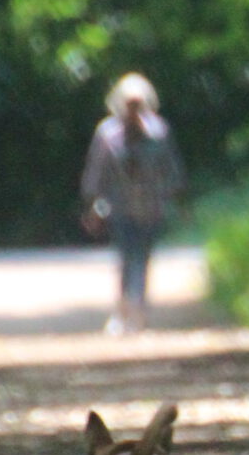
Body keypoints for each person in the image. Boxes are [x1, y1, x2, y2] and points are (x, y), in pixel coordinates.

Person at [79, 73, 186, 334]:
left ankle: (138, 311)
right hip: (120, 207)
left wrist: (177, 200)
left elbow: (172, 171)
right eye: (129, 103)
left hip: (151, 208)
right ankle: (124, 310)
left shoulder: (159, 132)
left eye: (138, 103)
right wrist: (93, 205)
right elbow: (96, 173)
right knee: (126, 259)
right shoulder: (107, 134)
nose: (133, 108)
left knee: (143, 259)